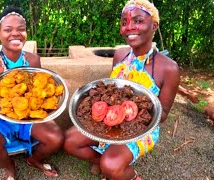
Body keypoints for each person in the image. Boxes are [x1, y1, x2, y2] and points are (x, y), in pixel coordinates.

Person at [63, 0, 180, 179]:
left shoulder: (169, 69)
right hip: (107, 119)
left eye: (138, 21)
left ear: (154, 25)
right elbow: (111, 90)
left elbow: (162, 114)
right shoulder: (120, 55)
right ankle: (100, 162)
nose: (129, 27)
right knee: (69, 142)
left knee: (111, 165)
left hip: (142, 129)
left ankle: (129, 175)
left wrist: (133, 110)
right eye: (124, 22)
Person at [0, 7, 63, 180]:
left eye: (20, 29)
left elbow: (39, 94)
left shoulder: (33, 60)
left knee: (56, 138)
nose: (15, 34)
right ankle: (10, 168)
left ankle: (34, 159)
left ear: (26, 33)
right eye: (8, 30)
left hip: (27, 117)